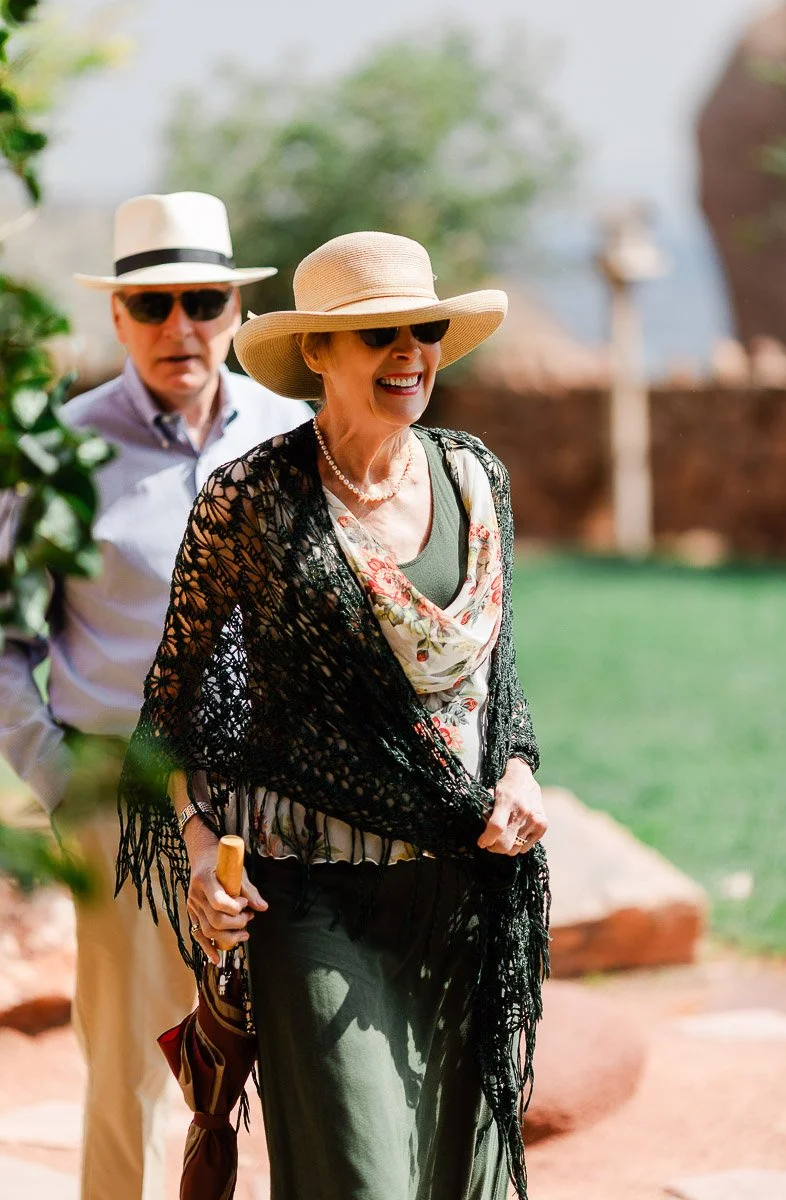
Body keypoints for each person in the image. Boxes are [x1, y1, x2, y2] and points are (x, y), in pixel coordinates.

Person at [117, 230, 550, 1200]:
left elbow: (498, 686)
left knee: (456, 1182)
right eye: (376, 336)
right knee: (359, 1182)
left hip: (462, 899)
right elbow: (174, 711)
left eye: (423, 329)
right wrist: (195, 849)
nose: (408, 353)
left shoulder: (475, 479)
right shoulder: (251, 501)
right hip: (312, 901)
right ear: (315, 354)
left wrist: (518, 772)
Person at [0, 191, 310, 1200]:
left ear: (233, 310)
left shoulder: (295, 437)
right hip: (121, 794)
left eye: (203, 299)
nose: (180, 325)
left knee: (291, 1058)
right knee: (129, 1067)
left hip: (276, 797)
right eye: (153, 304)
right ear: (118, 318)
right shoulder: (60, 452)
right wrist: (60, 777)